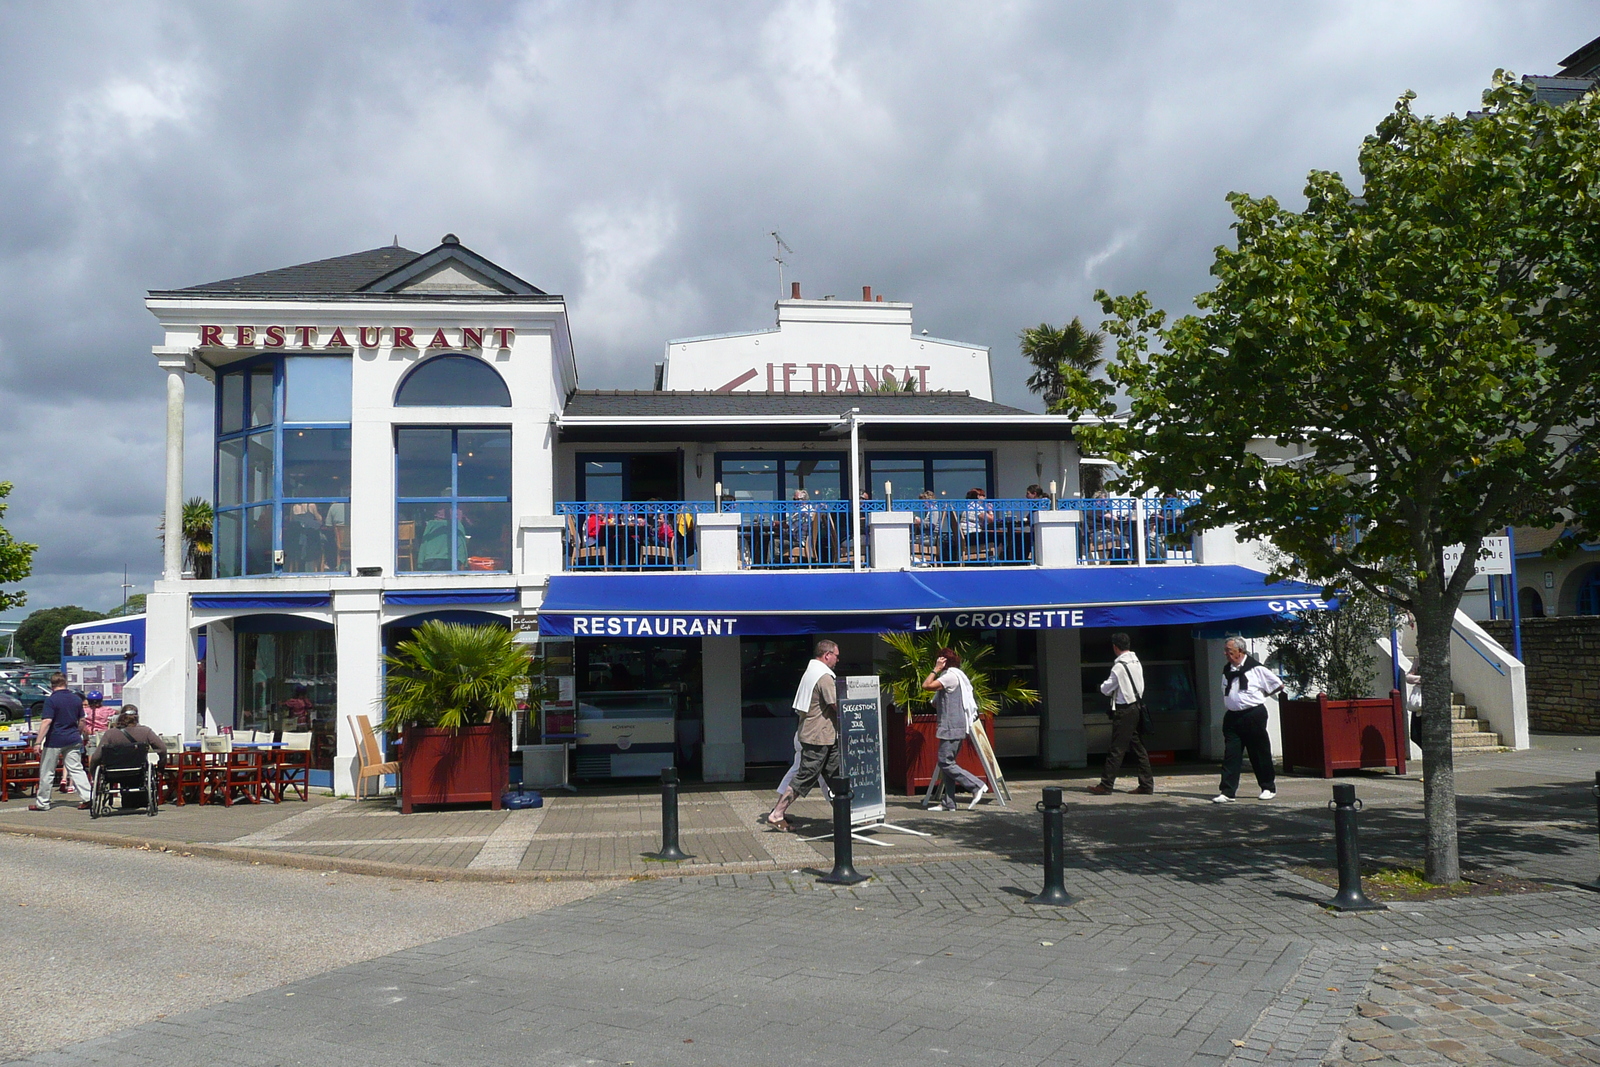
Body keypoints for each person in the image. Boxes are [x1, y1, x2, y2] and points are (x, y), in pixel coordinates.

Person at [766, 639, 846, 830]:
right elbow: (837, 705)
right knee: (806, 775)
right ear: (827, 655)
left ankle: (846, 813)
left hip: (821, 735)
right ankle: (777, 813)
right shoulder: (825, 677)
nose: (837, 660)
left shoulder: (811, 672)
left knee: (834, 775)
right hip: (818, 737)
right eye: (836, 656)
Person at [1213, 637, 1284, 803]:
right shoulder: (1227, 669)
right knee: (1231, 754)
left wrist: (1258, 697)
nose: (1226, 654)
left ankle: (1267, 786)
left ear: (1240, 652)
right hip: (1232, 716)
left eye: (1229, 652)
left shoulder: (1256, 669)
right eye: (1226, 651)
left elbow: (1277, 685)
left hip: (1253, 714)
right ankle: (1227, 791)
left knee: (1258, 752)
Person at [921, 646, 988, 810]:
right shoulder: (956, 676)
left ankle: (976, 785)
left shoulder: (950, 676)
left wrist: (935, 669)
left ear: (943, 661)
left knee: (945, 762)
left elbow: (926, 685)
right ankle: (949, 803)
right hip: (954, 725)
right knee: (948, 764)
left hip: (951, 726)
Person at [1088, 633, 1154, 795]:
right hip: (1137, 707)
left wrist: (1100, 686)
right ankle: (1146, 784)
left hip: (1124, 710)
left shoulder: (1119, 666)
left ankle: (1106, 784)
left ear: (1115, 647)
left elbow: (1106, 688)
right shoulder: (1136, 662)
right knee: (1138, 747)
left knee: (1116, 748)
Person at [29, 673, 92, 811]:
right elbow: (82, 721)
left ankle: (43, 802)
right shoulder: (76, 699)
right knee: (76, 769)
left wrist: (38, 742)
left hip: (55, 739)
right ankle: (88, 797)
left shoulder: (51, 700)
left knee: (47, 771)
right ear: (66, 683)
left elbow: (47, 721)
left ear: (52, 685)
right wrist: (79, 733)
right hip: (73, 738)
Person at [88, 706, 167, 810]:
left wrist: (93, 770)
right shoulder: (145, 731)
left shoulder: (110, 734)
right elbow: (162, 749)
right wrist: (161, 765)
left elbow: (97, 756)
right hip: (138, 771)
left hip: (113, 772)